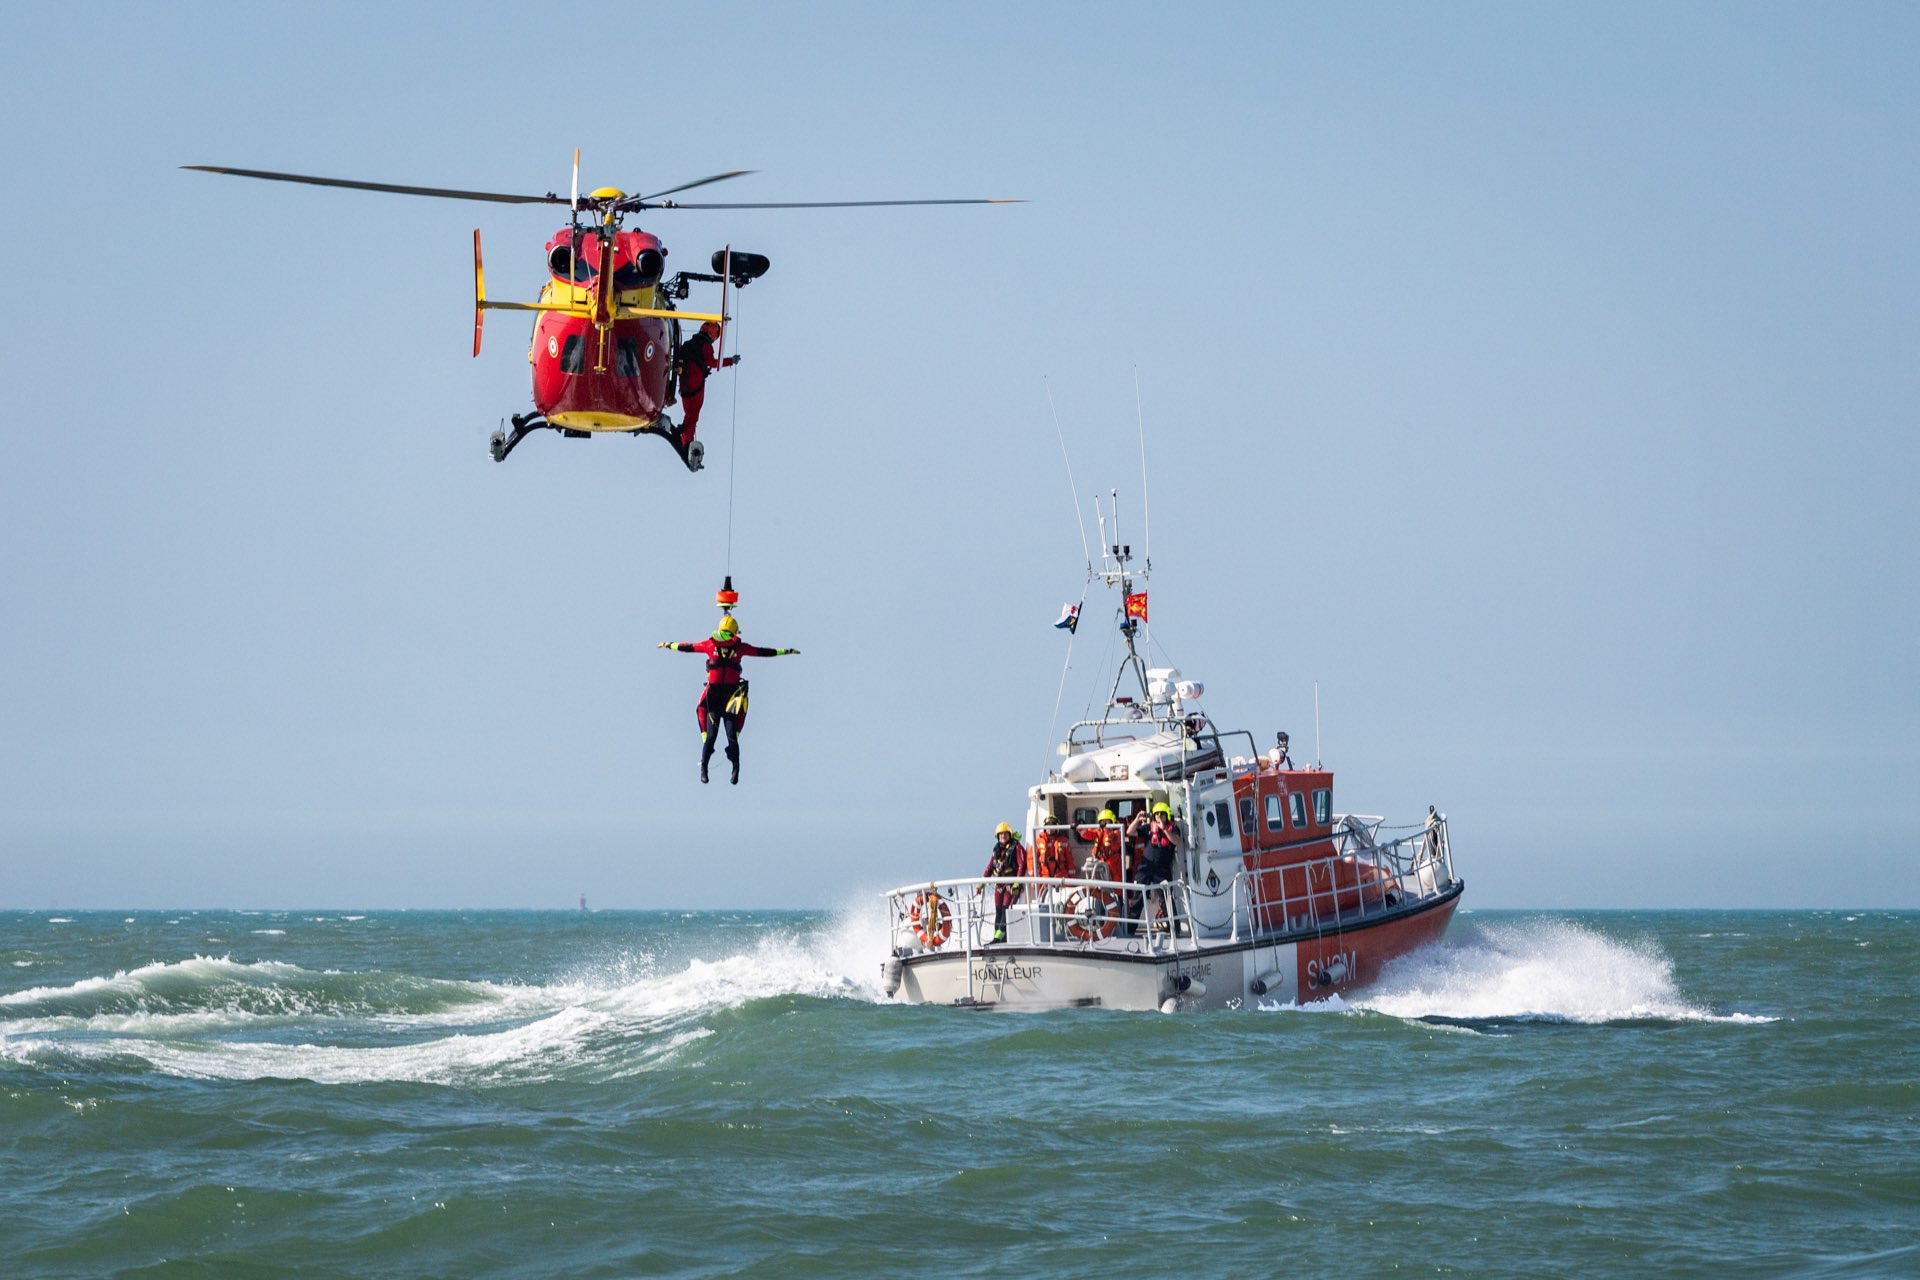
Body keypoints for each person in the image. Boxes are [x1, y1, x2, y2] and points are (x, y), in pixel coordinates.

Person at [657, 616, 797, 784]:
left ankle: (724, 770)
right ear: (734, 631)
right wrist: (785, 651)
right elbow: (763, 652)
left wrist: (669, 645)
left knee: (716, 737)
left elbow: (688, 647)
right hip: (720, 699)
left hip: (728, 699)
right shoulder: (725, 646)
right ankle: (717, 769)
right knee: (725, 737)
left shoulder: (723, 646)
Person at [673, 320, 738, 449]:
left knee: (690, 414)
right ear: (713, 334)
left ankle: (684, 437)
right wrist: (731, 360)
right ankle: (686, 442)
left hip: (684, 385)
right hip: (695, 384)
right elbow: (713, 363)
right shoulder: (706, 346)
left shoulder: (688, 344)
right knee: (693, 414)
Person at [1134, 801, 1181, 939]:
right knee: (1137, 897)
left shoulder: (1172, 829)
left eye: (1162, 814)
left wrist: (1164, 829)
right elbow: (1131, 832)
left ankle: (1175, 929)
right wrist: (1137, 820)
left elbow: (1176, 841)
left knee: (1166, 899)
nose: (1159, 816)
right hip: (1146, 867)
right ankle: (1130, 928)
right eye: (1156, 814)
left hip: (1162, 870)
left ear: (1167, 815)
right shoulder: (1149, 827)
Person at [982, 822, 1026, 943]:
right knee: (998, 911)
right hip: (999, 886)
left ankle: (999, 938)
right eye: (1000, 834)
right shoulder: (996, 849)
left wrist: (1017, 883)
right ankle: (998, 937)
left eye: (1005, 834)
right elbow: (990, 866)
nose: (1003, 837)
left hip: (1011, 886)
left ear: (1010, 835)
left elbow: (1022, 865)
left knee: (1006, 911)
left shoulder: (1017, 847)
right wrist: (982, 882)